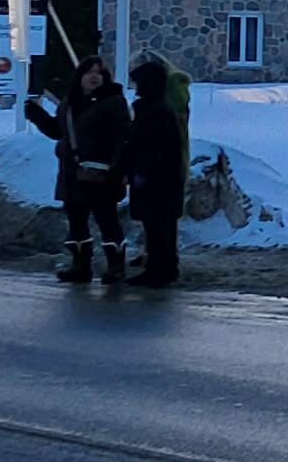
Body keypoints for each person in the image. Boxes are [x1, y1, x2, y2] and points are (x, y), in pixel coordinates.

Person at [25, 56, 132, 285]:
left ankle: (116, 267)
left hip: (102, 174)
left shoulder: (113, 102)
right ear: (80, 76)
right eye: (89, 72)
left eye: (99, 73)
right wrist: (37, 116)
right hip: (72, 173)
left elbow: (123, 137)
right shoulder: (70, 102)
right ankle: (80, 265)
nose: (94, 77)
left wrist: (118, 169)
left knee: (107, 219)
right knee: (76, 221)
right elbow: (58, 131)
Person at [120, 56, 186, 288]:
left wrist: (138, 171)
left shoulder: (155, 112)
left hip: (156, 180)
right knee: (160, 226)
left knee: (158, 226)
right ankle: (163, 267)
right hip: (160, 180)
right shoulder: (156, 109)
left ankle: (159, 269)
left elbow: (150, 148)